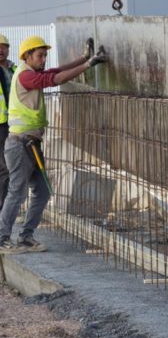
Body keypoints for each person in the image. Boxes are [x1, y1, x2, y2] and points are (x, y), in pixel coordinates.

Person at [0, 36, 106, 254]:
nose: (44, 59)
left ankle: (26, 237)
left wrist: (83, 58)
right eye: (40, 55)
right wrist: (88, 65)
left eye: (45, 55)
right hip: (19, 144)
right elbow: (54, 79)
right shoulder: (26, 76)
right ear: (27, 56)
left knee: (41, 191)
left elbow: (55, 71)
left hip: (31, 144)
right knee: (17, 192)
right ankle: (2, 239)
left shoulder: (31, 72)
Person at [0, 34, 17, 210]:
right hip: (0, 124)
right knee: (4, 168)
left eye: (3, 46)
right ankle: (3, 208)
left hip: (14, 124)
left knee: (11, 166)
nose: (0, 50)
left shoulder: (15, 69)